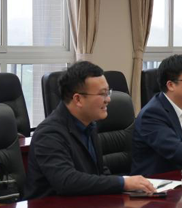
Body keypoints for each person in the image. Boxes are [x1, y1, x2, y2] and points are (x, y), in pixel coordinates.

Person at [26, 61, 154, 199]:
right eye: (102, 94)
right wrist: (123, 183)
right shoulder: (49, 134)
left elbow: (98, 171)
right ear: (78, 99)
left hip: (84, 204)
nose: (108, 99)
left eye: (108, 92)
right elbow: (66, 181)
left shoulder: (89, 125)